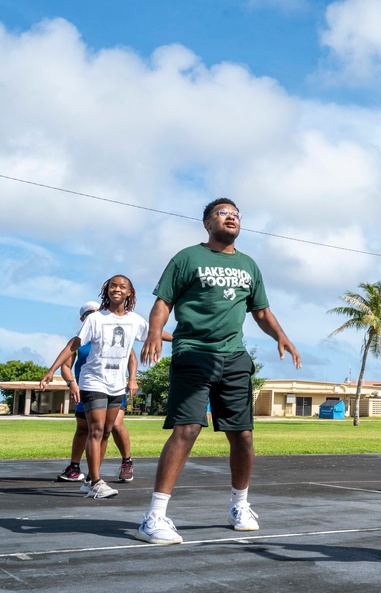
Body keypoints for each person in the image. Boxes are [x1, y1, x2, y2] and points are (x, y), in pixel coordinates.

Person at [137, 197, 301, 545]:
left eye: (236, 215)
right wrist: (154, 330)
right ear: (208, 223)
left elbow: (261, 311)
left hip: (234, 358)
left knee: (243, 435)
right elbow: (163, 302)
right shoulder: (187, 258)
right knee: (187, 429)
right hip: (193, 353)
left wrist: (282, 336)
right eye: (223, 213)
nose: (231, 218)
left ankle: (239, 506)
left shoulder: (249, 265)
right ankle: (154, 517)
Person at [46, 276, 152, 499]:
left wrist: (188, 336)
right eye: (113, 285)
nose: (117, 289)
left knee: (105, 431)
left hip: (116, 383)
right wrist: (52, 369)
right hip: (93, 381)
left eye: (122, 286)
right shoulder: (96, 319)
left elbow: (153, 335)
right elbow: (73, 344)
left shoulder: (135, 320)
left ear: (129, 293)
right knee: (94, 429)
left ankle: (90, 480)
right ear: (107, 290)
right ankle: (94, 480)